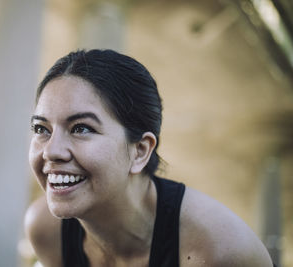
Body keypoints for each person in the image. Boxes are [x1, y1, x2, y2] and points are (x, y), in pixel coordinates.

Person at [25, 49, 274, 267]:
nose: (51, 151)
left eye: (81, 128)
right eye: (42, 129)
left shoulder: (221, 251)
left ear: (140, 151)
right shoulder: (46, 230)